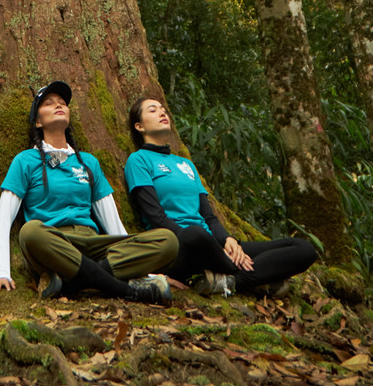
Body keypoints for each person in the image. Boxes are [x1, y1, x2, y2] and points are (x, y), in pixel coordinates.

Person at [0, 80, 177, 303]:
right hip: (54, 243)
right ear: (38, 122)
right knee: (29, 232)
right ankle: (124, 290)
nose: (58, 105)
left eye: (62, 102)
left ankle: (73, 282)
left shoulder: (88, 162)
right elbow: (4, 217)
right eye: (49, 103)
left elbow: (112, 221)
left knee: (168, 241)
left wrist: (142, 265)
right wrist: (0, 272)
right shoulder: (25, 160)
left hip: (92, 243)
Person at [125, 97, 318, 297]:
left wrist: (227, 240)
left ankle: (231, 281)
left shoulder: (185, 164)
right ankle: (251, 274)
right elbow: (156, 218)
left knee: (303, 248)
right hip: (180, 247)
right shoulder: (138, 160)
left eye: (163, 109)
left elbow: (209, 217)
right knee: (194, 234)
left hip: (212, 244)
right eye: (153, 110)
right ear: (139, 126)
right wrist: (216, 251)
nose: (162, 112)